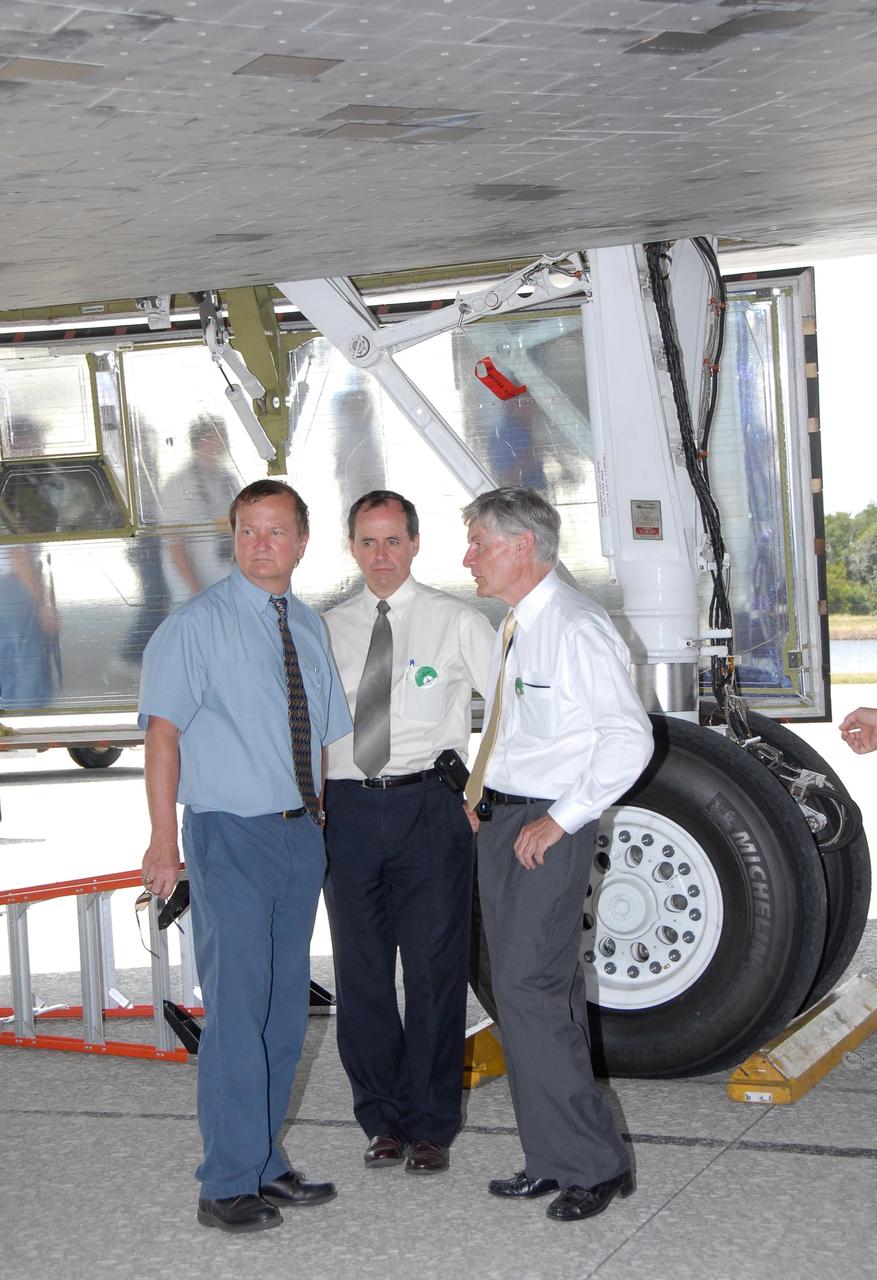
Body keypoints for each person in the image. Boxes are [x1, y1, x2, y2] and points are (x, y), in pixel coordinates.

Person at [138, 479, 351, 1234]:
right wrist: (165, 841)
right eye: (248, 531)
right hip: (229, 834)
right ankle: (225, 1182)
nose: (262, 544)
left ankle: (264, 1162)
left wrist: (321, 824)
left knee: (284, 1010)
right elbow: (161, 737)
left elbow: (321, 737)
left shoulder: (308, 625)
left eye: (276, 531)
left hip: (299, 834)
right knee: (236, 1012)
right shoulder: (194, 626)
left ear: (300, 541)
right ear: (234, 538)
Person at [461, 486, 653, 1223]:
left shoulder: (574, 625)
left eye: (479, 542)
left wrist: (562, 819)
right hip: (506, 821)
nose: (468, 557)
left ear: (522, 547)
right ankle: (555, 1155)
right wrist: (482, 791)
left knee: (531, 995)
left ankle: (590, 1167)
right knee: (527, 998)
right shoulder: (516, 625)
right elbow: (525, 731)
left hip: (544, 831)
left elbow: (626, 738)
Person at [322, 489, 494, 1174]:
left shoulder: (454, 620)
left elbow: (510, 707)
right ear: (352, 547)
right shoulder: (325, 628)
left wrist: (481, 793)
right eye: (368, 542)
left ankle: (428, 1125)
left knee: (431, 973)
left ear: (415, 543)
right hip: (348, 811)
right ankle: (381, 1120)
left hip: (428, 809)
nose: (381, 556)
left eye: (393, 541)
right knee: (360, 976)